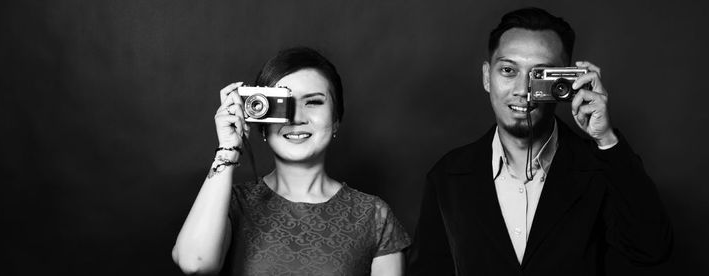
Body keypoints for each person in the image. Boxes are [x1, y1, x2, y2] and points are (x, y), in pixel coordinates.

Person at [406, 8, 673, 275]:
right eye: (509, 70)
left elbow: (651, 249)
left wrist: (606, 139)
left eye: (540, 75)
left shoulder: (600, 167)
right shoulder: (447, 176)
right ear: (488, 77)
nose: (523, 90)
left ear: (566, 81)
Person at [172, 47, 410, 276]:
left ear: (336, 119)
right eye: (282, 104)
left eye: (313, 102)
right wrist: (228, 148)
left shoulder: (373, 216)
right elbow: (195, 264)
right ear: (260, 121)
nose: (296, 118)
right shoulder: (231, 204)